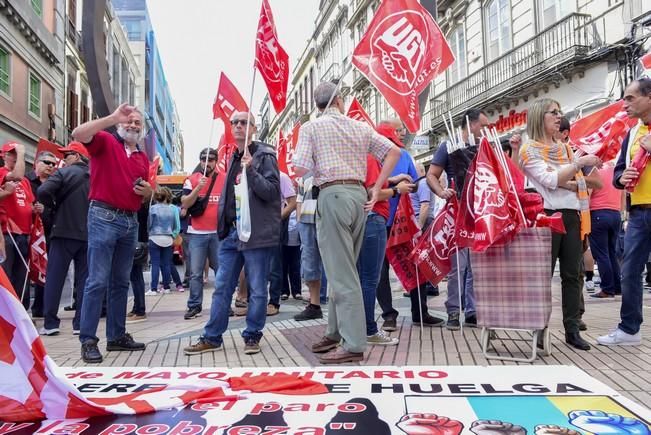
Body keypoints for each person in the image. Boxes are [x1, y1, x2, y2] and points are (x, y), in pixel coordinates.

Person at [292, 82, 401, 364]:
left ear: (317, 105)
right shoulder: (360, 127)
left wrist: (317, 162)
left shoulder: (311, 128)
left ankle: (353, 343)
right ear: (339, 101)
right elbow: (393, 153)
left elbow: (300, 168)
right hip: (358, 196)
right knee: (346, 267)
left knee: (341, 273)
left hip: (332, 195)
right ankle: (335, 332)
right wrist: (377, 187)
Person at [184, 111, 280, 356]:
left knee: (257, 288)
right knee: (222, 287)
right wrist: (222, 228)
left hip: (256, 235)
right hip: (230, 235)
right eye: (234, 122)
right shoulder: (233, 158)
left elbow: (271, 192)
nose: (238, 125)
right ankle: (212, 336)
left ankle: (252, 335)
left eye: (244, 122)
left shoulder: (264, 155)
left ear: (254, 128)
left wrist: (251, 171)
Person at [71, 102, 152, 363]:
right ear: (119, 123)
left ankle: (116, 336)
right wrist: (112, 117)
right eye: (128, 120)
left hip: (129, 221)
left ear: (142, 130)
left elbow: (141, 192)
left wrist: (149, 193)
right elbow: (78, 134)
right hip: (104, 216)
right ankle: (88, 340)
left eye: (137, 122)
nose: (132, 124)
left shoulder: (142, 157)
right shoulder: (105, 141)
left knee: (120, 282)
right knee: (97, 280)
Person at [519, 98, 601, 351]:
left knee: (572, 274)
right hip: (545, 215)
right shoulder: (529, 149)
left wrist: (567, 177)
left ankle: (573, 329)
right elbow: (548, 179)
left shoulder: (566, 148)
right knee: (543, 276)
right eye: (553, 112)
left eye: (559, 112)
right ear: (538, 117)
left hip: (573, 213)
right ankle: (540, 329)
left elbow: (587, 182)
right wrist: (575, 167)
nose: (559, 116)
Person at [598, 78, 651, 346]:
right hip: (640, 213)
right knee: (629, 271)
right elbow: (618, 172)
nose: (625, 103)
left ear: (649, 97)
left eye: (630, 98)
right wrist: (622, 177)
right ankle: (629, 330)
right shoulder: (632, 134)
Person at [426, 108, 489, 330]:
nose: (485, 130)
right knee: (457, 266)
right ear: (471, 125)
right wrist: (442, 192)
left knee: (477, 265)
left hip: (479, 210)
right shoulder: (448, 145)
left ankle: (472, 310)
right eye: (482, 126)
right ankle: (453, 310)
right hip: (456, 212)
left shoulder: (485, 146)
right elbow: (431, 175)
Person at [374, 123, 441, 328]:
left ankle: (419, 312)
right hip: (380, 218)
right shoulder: (371, 156)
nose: (401, 135)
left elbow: (414, 183)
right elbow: (369, 185)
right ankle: (389, 315)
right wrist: (396, 184)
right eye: (397, 132)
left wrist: (407, 185)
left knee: (415, 264)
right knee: (380, 271)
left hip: (401, 221)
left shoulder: (404, 155)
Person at [37, 143, 90, 335]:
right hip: (88, 234)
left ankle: (51, 324)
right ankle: (80, 324)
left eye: (67, 155)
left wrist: (53, 205)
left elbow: (42, 192)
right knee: (85, 280)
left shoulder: (63, 173)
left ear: (76, 156)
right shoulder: (96, 175)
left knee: (55, 278)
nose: (64, 159)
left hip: (63, 232)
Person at [359, 152, 401, 346]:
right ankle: (369, 330)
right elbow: (371, 191)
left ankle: (359, 328)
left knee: (362, 278)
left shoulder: (362, 158)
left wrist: (392, 181)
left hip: (365, 219)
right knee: (369, 279)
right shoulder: (371, 158)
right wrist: (396, 190)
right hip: (373, 218)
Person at [181, 148, 223, 319]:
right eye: (203, 159)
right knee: (196, 273)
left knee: (222, 271)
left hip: (218, 233)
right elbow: (185, 203)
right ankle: (194, 305)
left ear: (216, 160)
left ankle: (222, 304)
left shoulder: (224, 178)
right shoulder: (191, 179)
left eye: (211, 159)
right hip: (197, 233)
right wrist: (198, 188)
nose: (207, 162)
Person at [0, 142, 33, 309]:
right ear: (3, 156)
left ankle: (19, 311)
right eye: (11, 153)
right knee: (7, 275)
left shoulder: (26, 182)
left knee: (22, 276)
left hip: (24, 233)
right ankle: (6, 312)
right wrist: (21, 152)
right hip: (7, 233)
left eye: (16, 153)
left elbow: (28, 202)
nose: (15, 156)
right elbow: (17, 175)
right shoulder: (2, 173)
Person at [26, 151, 57, 318]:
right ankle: (22, 308)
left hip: (48, 233)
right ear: (37, 163)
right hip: (26, 231)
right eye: (47, 162)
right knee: (23, 271)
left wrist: (46, 210)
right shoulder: (26, 181)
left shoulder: (56, 184)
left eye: (53, 164)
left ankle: (41, 307)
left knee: (45, 270)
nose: (51, 166)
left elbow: (58, 209)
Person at [588, 160, 623, 299]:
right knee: (611, 252)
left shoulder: (594, 170)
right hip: (615, 214)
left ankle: (607, 289)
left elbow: (588, 194)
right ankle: (617, 287)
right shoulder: (616, 170)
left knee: (601, 254)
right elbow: (622, 194)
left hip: (598, 213)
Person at [293, 173, 326, 321]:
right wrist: (300, 223)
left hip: (327, 220)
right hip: (306, 223)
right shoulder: (304, 176)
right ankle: (314, 305)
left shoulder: (330, 170)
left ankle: (340, 305)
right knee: (309, 265)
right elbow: (299, 200)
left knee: (334, 264)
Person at [268, 171, 296, 315]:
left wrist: (278, 219)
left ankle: (273, 301)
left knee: (274, 266)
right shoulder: (248, 174)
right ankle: (251, 300)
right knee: (253, 266)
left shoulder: (282, 177)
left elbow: (292, 203)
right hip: (253, 228)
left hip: (273, 228)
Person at [146, 187, 180, 295]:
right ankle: (166, 287)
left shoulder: (152, 209)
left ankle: (153, 288)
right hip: (168, 238)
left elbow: (149, 223)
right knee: (166, 264)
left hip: (154, 236)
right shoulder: (172, 209)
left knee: (155, 264)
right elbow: (175, 225)